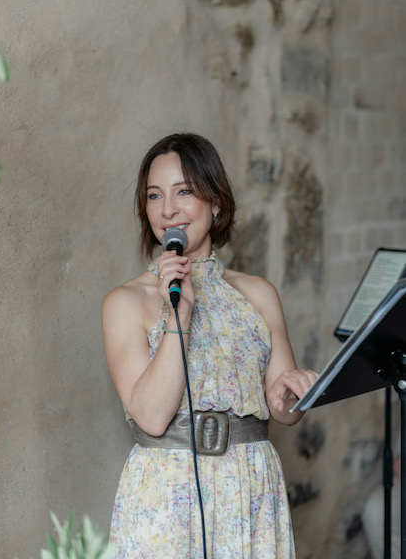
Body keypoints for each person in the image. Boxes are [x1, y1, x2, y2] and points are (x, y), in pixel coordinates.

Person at [102, 133, 318, 558]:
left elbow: (286, 411)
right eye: (154, 195)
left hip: (250, 489)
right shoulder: (124, 302)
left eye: (184, 191)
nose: (168, 209)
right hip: (166, 496)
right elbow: (152, 417)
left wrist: (293, 393)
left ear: (215, 201)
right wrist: (178, 317)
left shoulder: (258, 294)